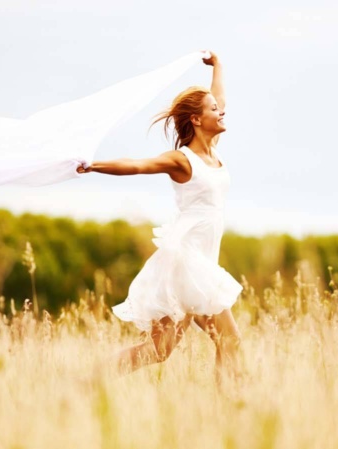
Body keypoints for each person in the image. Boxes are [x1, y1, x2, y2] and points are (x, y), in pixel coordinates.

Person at [77, 51, 242, 382]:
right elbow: (138, 165)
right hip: (188, 263)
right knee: (230, 341)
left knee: (159, 350)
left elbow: (219, 97)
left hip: (200, 263)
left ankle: (86, 380)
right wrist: (94, 166)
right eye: (213, 110)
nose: (221, 112)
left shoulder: (214, 149)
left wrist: (219, 66)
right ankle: (231, 406)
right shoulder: (182, 160)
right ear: (196, 120)